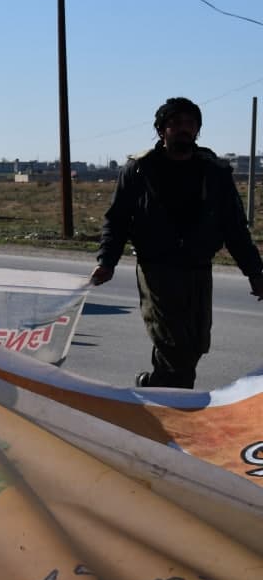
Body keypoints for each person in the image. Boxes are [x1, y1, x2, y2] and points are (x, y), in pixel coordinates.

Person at [91, 97, 263, 388]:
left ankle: (153, 386)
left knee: (195, 344)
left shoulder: (214, 171)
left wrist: (255, 272)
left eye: (190, 123)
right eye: (176, 123)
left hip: (198, 267)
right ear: (161, 130)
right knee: (174, 344)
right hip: (157, 269)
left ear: (197, 129)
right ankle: (177, 406)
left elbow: (234, 227)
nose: (184, 129)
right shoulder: (139, 169)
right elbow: (117, 220)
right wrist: (106, 261)